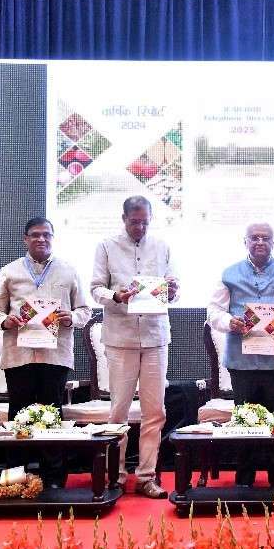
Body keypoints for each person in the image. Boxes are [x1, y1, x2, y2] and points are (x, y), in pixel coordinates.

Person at [207, 222, 274, 488]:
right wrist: (228, 321)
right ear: (245, 242)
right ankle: (244, 481)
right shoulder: (229, 273)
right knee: (244, 423)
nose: (260, 242)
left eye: (266, 238)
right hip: (242, 363)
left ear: (273, 243)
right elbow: (213, 311)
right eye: (254, 238)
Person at [0, 216, 91, 488]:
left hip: (55, 355)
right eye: (35, 234)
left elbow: (85, 310)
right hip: (19, 354)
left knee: (52, 414)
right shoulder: (9, 272)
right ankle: (15, 478)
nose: (41, 239)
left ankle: (53, 479)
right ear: (25, 239)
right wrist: (5, 321)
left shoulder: (68, 271)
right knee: (18, 414)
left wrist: (71, 317)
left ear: (53, 238)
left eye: (46, 234)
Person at [90, 195, 180, 499]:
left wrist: (173, 290)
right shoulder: (106, 246)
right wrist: (117, 296)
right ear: (123, 218)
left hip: (155, 337)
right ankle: (116, 476)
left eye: (145, 222)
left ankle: (146, 477)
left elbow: (175, 289)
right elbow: (95, 289)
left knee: (155, 411)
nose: (140, 227)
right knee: (119, 410)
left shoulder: (163, 246)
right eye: (134, 221)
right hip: (121, 338)